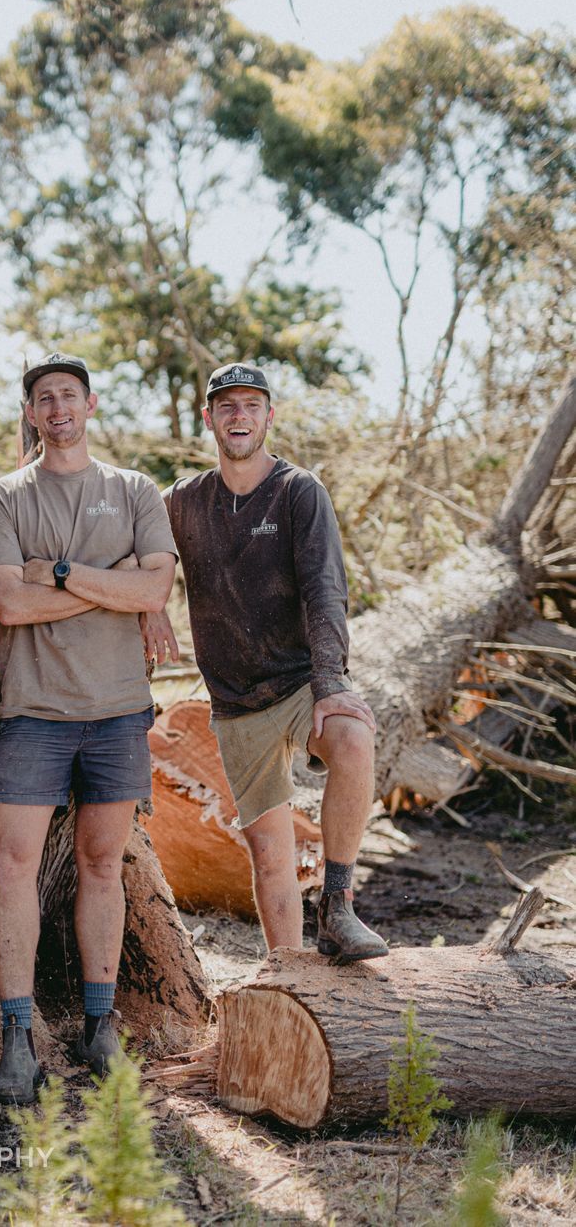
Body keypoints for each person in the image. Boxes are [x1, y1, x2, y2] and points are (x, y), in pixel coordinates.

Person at [0, 353, 178, 1102]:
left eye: (69, 395)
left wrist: (54, 572)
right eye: (42, 397)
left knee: (101, 866)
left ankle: (99, 1026)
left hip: (118, 710)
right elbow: (6, 605)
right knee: (12, 869)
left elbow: (156, 585)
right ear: (29, 413)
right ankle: (18, 1038)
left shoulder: (133, 491)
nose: (57, 407)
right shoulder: (2, 500)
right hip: (33, 714)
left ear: (90, 405)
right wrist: (110, 584)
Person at [150, 363, 388, 963]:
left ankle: (338, 905)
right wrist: (150, 606)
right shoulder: (183, 501)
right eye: (226, 406)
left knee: (355, 739)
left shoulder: (297, 491)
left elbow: (325, 589)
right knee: (270, 855)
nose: (239, 416)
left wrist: (331, 684)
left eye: (251, 405)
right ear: (209, 418)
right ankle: (288, 975)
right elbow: (137, 554)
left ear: (268, 416)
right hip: (234, 700)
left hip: (301, 681)